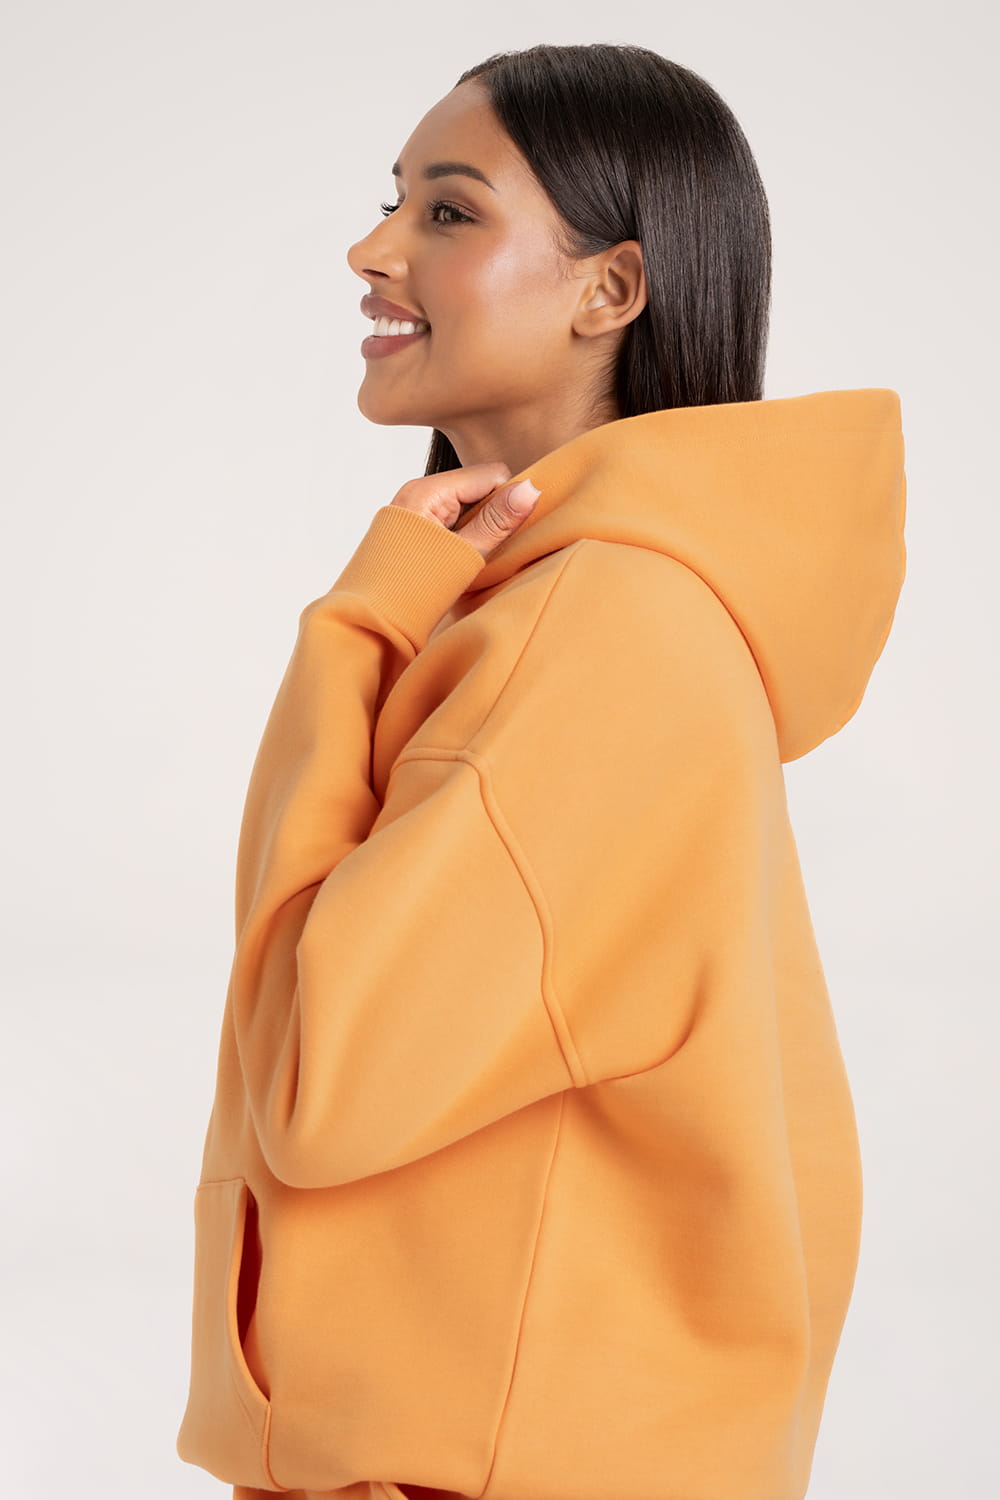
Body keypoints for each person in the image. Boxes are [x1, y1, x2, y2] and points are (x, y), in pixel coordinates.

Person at [176, 41, 906, 1500]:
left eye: (448, 211)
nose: (373, 249)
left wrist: (353, 627)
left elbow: (316, 1081)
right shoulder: (574, 611)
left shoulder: (602, 627)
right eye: (393, 200)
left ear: (609, 291)